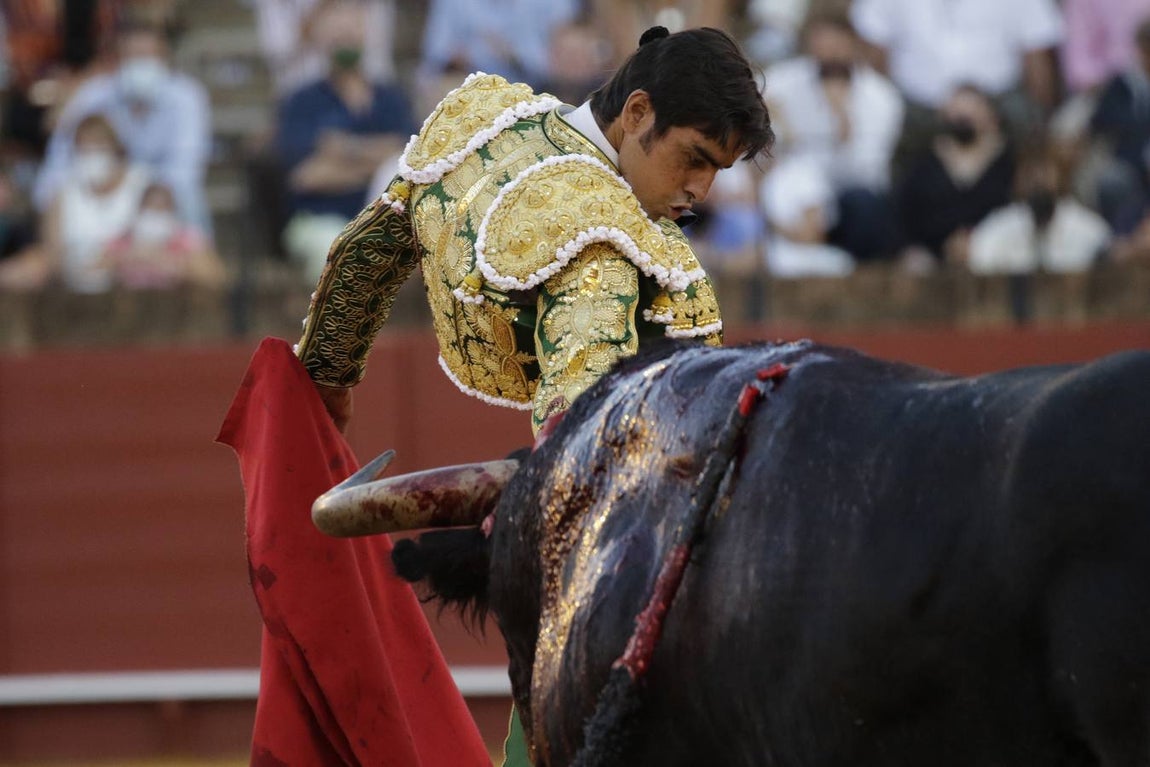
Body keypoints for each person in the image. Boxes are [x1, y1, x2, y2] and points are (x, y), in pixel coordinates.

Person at [293, 25, 773, 764]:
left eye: (719, 171)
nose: (700, 191)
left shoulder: (479, 114)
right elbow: (584, 441)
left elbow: (368, 252)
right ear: (637, 113)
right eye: (695, 160)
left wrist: (325, 379)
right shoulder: (608, 242)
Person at [276, 0, 416, 283]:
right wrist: (378, 163)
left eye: (351, 34)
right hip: (320, 221)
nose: (346, 41)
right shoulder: (301, 101)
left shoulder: (392, 99)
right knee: (338, 254)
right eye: (338, 36)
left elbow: (410, 166)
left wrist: (342, 150)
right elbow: (307, 177)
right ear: (321, 40)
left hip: (385, 223)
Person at [32, 20, 211, 233]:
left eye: (146, 56)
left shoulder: (186, 96)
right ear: (118, 59)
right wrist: (50, 199)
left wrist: (139, 193)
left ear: (164, 58)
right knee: (62, 201)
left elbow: (185, 168)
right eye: (132, 56)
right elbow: (59, 158)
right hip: (102, 193)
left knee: (188, 198)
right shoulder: (94, 94)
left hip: (158, 196)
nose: (139, 63)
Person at [763, 10, 903, 262]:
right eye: (822, 47)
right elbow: (760, 135)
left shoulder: (881, 98)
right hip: (793, 190)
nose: (830, 55)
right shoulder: (783, 83)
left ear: (853, 46)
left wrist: (843, 127)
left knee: (864, 204)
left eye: (837, 47)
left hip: (847, 197)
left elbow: (868, 174)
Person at [894, 85, 1015, 271]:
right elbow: (907, 214)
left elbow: (1014, 212)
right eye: (958, 115)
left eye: (972, 113)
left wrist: (977, 243)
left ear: (991, 118)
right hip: (933, 257)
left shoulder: (1009, 162)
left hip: (997, 252)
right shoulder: (925, 163)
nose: (964, 120)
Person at [41, 112, 152, 293]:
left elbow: (157, 238)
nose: (91, 154)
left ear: (115, 147)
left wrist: (114, 260)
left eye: (98, 146)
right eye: (83, 149)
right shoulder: (62, 191)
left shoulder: (142, 183)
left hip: (129, 270)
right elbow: (52, 251)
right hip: (75, 273)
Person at [967, 148, 1111, 275]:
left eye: (1046, 172)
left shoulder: (1090, 229)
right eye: (1030, 172)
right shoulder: (994, 230)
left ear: (1060, 175)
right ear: (1018, 178)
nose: (1038, 181)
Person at [101, 180, 227, 289]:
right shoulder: (123, 239)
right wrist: (124, 258)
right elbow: (90, 273)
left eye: (161, 209)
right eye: (150, 208)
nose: (155, 216)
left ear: (173, 212)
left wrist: (178, 267)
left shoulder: (188, 240)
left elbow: (216, 278)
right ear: (139, 210)